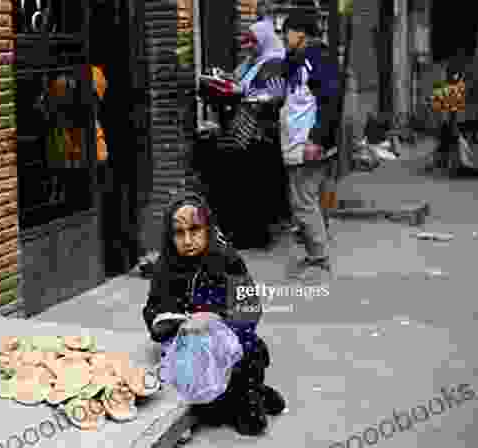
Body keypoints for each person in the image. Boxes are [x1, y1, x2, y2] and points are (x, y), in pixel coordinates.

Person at [142, 192, 287, 443]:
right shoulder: (165, 267)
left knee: (249, 354)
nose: (188, 240)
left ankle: (247, 395)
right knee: (197, 386)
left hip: (226, 336)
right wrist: (173, 322)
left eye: (195, 230)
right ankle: (242, 398)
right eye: (179, 233)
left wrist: (213, 318)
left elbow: (249, 307)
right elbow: (153, 311)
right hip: (184, 345)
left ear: (207, 228)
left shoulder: (225, 259)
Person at [204, 17, 293, 249]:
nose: (248, 46)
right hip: (243, 131)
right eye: (247, 42)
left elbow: (275, 96)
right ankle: (246, 232)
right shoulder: (253, 62)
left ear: (263, 40)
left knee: (252, 187)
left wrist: (241, 93)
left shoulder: (274, 62)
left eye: (253, 42)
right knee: (244, 185)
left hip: (259, 134)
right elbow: (240, 81)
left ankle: (253, 235)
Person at [278, 12, 341, 282]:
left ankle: (320, 260)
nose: (283, 37)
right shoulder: (300, 59)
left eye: (286, 32)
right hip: (298, 141)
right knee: (306, 201)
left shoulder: (318, 58)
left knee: (304, 202)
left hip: (308, 142)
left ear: (300, 33)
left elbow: (329, 100)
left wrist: (317, 138)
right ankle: (315, 254)